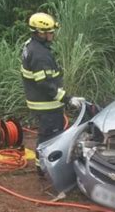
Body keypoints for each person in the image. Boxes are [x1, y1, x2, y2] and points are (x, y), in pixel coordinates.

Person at [21, 12, 85, 175]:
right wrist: (67, 99)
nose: (52, 34)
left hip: (40, 101)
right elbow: (45, 84)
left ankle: (41, 166)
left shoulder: (31, 45)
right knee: (50, 137)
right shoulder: (40, 54)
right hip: (46, 104)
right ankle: (45, 169)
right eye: (49, 32)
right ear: (40, 32)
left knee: (46, 134)